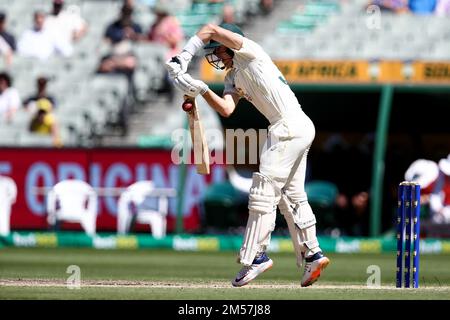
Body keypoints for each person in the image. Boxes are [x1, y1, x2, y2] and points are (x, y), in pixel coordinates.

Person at [165, 23, 330, 287]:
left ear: (231, 44)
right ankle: (313, 253)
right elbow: (227, 109)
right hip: (296, 127)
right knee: (292, 195)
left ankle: (256, 257)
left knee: (264, 190)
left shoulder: (250, 51)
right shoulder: (232, 77)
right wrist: (202, 89)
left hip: (287, 126)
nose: (216, 55)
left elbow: (208, 28)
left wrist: (183, 57)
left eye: (218, 50)